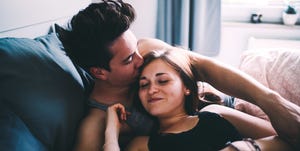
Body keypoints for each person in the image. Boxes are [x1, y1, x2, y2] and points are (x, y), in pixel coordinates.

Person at [58, 0, 300, 150]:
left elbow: (201, 66)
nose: (141, 59)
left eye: (162, 80)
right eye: (129, 59)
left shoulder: (143, 50)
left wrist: (271, 101)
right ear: (99, 72)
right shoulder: (95, 125)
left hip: (230, 109)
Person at [104, 49, 292, 151]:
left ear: (187, 87)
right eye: (144, 85)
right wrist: (111, 130)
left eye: (163, 81)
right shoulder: (142, 145)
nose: (152, 89)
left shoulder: (215, 114)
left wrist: (244, 147)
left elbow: (289, 140)